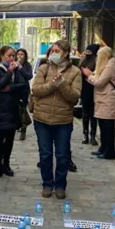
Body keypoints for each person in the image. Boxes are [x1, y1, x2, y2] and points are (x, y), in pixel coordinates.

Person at [31, 41, 82, 199]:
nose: (53, 53)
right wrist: (53, 85)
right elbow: (36, 90)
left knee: (62, 155)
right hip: (42, 118)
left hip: (63, 121)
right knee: (45, 154)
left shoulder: (75, 72)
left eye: (57, 50)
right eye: (52, 50)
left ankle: (60, 185)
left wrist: (62, 84)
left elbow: (74, 97)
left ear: (66, 53)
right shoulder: (44, 68)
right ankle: (47, 183)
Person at [0, 46, 28, 178]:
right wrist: (9, 72)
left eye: (14, 56)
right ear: (2, 56)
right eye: (9, 56)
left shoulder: (16, 69)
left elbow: (23, 84)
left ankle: (6, 163)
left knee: (10, 139)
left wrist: (10, 88)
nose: (12, 58)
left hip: (12, 108)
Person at [83, 46, 115, 160]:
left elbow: (100, 82)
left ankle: (109, 152)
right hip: (103, 100)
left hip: (108, 101)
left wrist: (89, 75)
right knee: (103, 126)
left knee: (108, 127)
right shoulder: (107, 65)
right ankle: (103, 148)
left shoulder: (110, 66)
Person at [79, 44, 100, 145]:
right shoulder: (83, 61)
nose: (87, 53)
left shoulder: (97, 62)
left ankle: (92, 136)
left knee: (93, 115)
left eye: (89, 52)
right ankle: (85, 135)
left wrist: (90, 74)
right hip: (85, 91)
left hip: (94, 90)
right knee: (85, 114)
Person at [16, 49, 34, 141]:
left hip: (24, 90)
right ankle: (19, 125)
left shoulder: (27, 65)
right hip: (15, 89)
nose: (20, 56)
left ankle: (23, 129)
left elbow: (29, 76)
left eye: (22, 54)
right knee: (16, 109)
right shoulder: (14, 64)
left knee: (23, 109)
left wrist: (20, 68)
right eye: (18, 54)